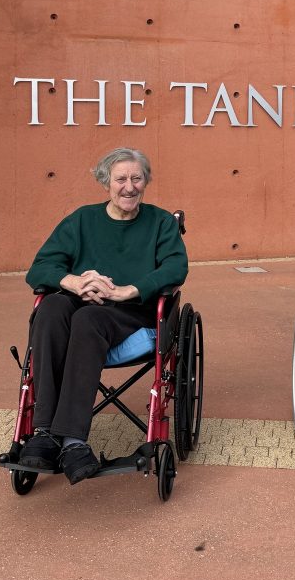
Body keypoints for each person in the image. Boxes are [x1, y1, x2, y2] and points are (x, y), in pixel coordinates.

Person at [19, 147, 188, 484]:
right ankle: (45, 432)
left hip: (130, 313)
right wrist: (75, 282)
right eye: (121, 179)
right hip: (81, 302)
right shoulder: (82, 220)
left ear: (145, 182)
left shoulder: (160, 223)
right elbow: (40, 267)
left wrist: (128, 290)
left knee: (88, 320)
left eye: (137, 178)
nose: (129, 187)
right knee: (50, 308)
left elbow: (176, 267)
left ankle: (72, 441)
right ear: (105, 182)